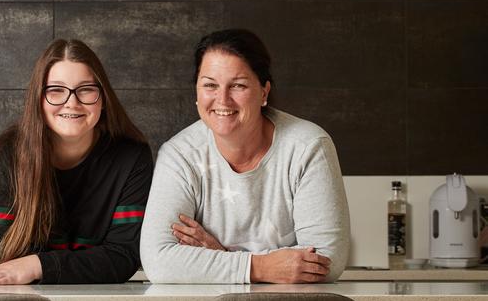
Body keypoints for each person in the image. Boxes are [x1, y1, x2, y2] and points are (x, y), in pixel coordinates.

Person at [140, 29, 350, 284]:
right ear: (197, 92)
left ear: (264, 92)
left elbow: (327, 261)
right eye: (210, 85)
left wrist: (221, 257)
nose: (222, 99)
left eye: (238, 85)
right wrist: (260, 267)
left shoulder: (308, 146)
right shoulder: (179, 155)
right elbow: (158, 262)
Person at [0, 39, 153, 285]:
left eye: (86, 89)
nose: (72, 102)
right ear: (38, 99)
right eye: (56, 90)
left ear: (103, 97)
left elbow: (123, 256)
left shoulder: (131, 158)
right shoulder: (6, 156)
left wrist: (37, 264)